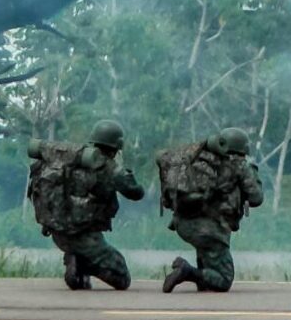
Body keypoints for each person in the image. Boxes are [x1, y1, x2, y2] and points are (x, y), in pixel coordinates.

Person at [32, 120, 145, 291]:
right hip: (84, 236)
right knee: (122, 279)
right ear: (116, 146)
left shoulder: (66, 161)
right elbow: (136, 193)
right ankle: (82, 263)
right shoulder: (107, 167)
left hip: (57, 232)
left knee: (82, 283)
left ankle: (77, 262)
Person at [161, 127, 263, 293]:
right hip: (210, 230)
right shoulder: (239, 165)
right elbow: (256, 198)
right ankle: (186, 272)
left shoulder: (202, 161)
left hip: (184, 223)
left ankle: (200, 277)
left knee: (208, 261)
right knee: (224, 279)